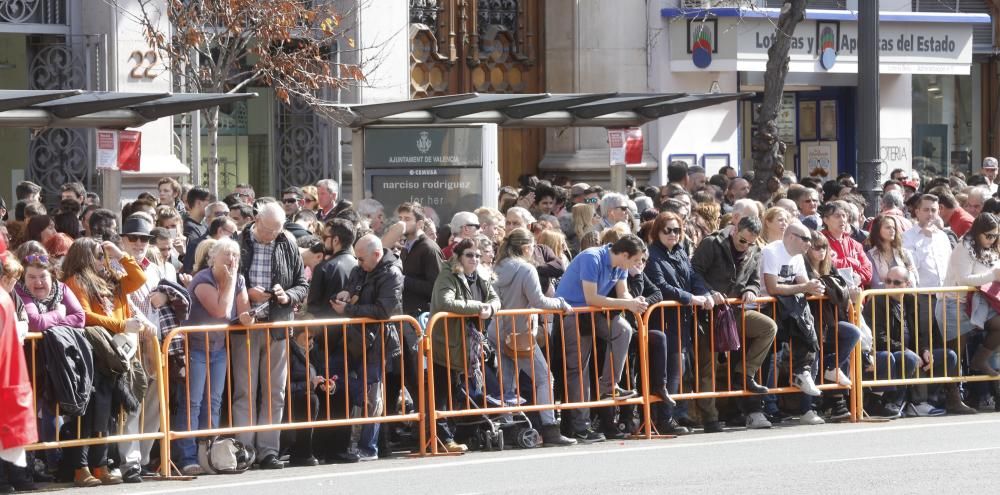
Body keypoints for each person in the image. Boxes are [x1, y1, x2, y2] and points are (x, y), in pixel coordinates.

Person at [62, 237, 147, 486]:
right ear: (85, 257)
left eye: (104, 255)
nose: (103, 259)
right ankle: (81, 468)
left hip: (115, 353)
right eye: (99, 255)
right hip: (93, 352)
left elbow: (139, 279)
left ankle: (100, 465)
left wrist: (120, 254)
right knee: (88, 413)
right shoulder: (75, 280)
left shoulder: (113, 279)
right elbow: (86, 316)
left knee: (108, 413)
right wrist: (121, 325)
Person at [232, 202, 309, 470]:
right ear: (255, 220)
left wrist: (288, 296)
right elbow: (225, 279)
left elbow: (302, 283)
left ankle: (268, 450)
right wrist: (247, 293)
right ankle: (245, 449)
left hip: (277, 326)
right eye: (267, 230)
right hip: (247, 326)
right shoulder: (237, 240)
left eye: (277, 230)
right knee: (245, 391)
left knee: (275, 392)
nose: (271, 236)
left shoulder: (287, 241)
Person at [173, 239, 254, 476]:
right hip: (195, 347)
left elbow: (241, 313)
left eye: (236, 255)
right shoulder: (203, 279)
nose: (232, 259)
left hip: (218, 348)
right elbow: (221, 311)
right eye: (227, 254)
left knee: (214, 402)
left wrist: (249, 318)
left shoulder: (237, 278)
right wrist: (230, 283)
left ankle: (208, 454)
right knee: (193, 403)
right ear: (213, 258)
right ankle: (187, 457)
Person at [554, 235, 647, 443]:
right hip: (571, 313)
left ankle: (609, 386)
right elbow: (591, 297)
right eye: (635, 260)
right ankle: (580, 427)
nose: (636, 265)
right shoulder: (591, 258)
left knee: (624, 329)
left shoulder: (620, 264)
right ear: (624, 255)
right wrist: (628, 305)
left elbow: (623, 293)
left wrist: (634, 301)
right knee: (579, 369)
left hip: (592, 313)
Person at [490, 228, 576, 446]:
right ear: (526, 247)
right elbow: (539, 301)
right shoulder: (526, 269)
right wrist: (561, 303)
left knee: (507, 383)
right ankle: (550, 429)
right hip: (519, 333)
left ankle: (507, 429)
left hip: (497, 330)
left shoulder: (497, 266)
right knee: (545, 378)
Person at [691, 216, 778, 433]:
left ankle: (744, 374)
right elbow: (694, 272)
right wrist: (709, 292)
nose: (746, 246)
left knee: (768, 327)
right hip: (707, 313)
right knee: (707, 367)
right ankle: (710, 418)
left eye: (750, 242)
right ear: (734, 230)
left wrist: (751, 291)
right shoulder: (712, 243)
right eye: (743, 241)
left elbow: (755, 282)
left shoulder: (756, 250)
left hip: (733, 313)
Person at [329, 234, 403, 460]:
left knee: (373, 394)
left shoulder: (392, 273)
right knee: (347, 386)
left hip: (377, 341)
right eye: (357, 258)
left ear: (377, 255)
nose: (358, 263)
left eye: (361, 259)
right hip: (354, 340)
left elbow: (383, 311)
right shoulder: (360, 269)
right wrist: (343, 295)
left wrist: (348, 311)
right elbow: (353, 290)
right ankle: (350, 442)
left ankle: (368, 447)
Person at [429, 238, 501, 453]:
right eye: (470, 255)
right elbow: (446, 302)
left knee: (458, 393)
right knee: (441, 394)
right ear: (458, 256)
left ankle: (457, 436)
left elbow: (496, 299)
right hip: (446, 344)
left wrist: (491, 308)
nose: (475, 259)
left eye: (478, 255)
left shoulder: (480, 277)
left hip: (468, 347)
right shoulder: (448, 274)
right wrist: (480, 307)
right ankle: (442, 439)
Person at [643, 212, 713, 434]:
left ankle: (676, 414)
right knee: (669, 370)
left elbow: (693, 276)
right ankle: (664, 419)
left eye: (676, 230)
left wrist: (705, 293)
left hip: (682, 319)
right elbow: (661, 285)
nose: (673, 234)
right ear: (657, 232)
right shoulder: (652, 255)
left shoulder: (681, 251)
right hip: (663, 319)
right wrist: (690, 298)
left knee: (681, 368)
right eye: (668, 230)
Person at [944, 213, 1000, 376]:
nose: (992, 239)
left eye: (996, 236)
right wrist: (994, 275)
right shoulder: (964, 247)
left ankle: (979, 360)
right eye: (988, 235)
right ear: (978, 232)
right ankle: (953, 396)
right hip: (955, 302)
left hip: (978, 302)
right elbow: (963, 279)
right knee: (957, 353)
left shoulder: (990, 248)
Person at [821, 201, 872, 288]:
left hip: (857, 298)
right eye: (837, 216)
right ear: (825, 220)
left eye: (844, 216)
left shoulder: (855, 244)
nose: (842, 220)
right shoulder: (820, 241)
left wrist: (858, 277)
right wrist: (852, 261)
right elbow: (829, 264)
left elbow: (868, 270)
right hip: (831, 296)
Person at [866, 215, 917, 289]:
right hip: (882, 299)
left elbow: (915, 278)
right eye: (888, 227)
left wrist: (890, 285)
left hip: (904, 298)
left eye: (894, 228)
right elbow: (876, 284)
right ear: (878, 230)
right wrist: (901, 284)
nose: (892, 230)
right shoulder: (870, 256)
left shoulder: (904, 253)